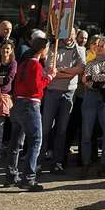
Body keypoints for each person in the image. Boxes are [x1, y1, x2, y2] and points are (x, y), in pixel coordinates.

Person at [5, 33, 58, 191]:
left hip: (18, 104)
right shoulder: (35, 64)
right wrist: (49, 77)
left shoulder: (24, 63)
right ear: (42, 49)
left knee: (16, 142)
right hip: (30, 104)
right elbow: (36, 87)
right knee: (35, 141)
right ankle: (28, 178)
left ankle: (11, 175)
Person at [40, 23, 86, 173]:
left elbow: (80, 69)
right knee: (46, 128)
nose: (69, 36)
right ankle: (39, 161)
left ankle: (57, 162)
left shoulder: (79, 50)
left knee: (62, 130)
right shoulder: (53, 48)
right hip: (52, 92)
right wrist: (69, 72)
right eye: (66, 33)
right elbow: (50, 71)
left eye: (71, 33)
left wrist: (62, 71)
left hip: (69, 93)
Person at [80, 34, 105, 176]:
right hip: (90, 98)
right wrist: (102, 81)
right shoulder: (90, 63)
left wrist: (94, 79)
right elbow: (87, 82)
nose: (98, 47)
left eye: (102, 45)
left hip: (104, 100)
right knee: (86, 133)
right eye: (98, 45)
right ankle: (86, 164)